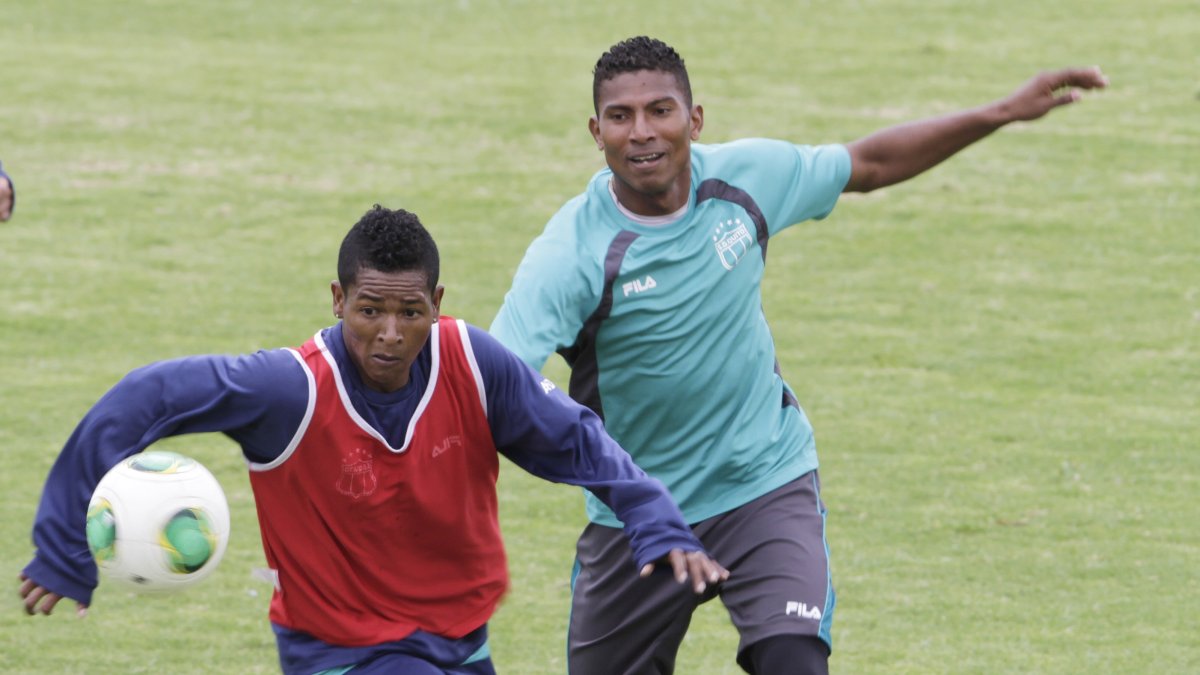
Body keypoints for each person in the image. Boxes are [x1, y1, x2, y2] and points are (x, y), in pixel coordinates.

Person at [489, 36, 1107, 675]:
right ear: (596, 131)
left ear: (695, 120)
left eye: (661, 110)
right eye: (621, 117)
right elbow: (496, 381)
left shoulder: (745, 181)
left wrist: (1001, 112)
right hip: (640, 520)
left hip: (763, 483)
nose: (642, 132)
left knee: (793, 660)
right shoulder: (573, 253)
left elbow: (867, 165)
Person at [19, 204, 728, 675]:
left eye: (409, 312)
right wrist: (62, 543)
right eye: (369, 310)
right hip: (343, 652)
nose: (389, 334)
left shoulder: (474, 365)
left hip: (460, 644)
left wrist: (650, 515)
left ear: (437, 305)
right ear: (337, 300)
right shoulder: (288, 389)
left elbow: (574, 439)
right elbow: (148, 395)